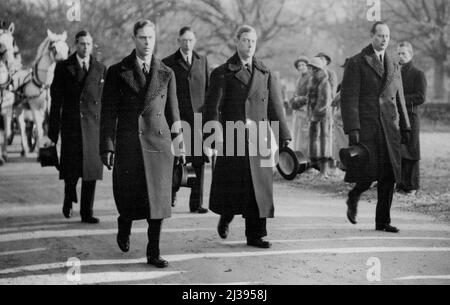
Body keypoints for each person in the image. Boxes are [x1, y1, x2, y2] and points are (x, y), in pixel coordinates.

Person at [100, 20, 184, 268]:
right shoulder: (117, 71)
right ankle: (124, 223)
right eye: (142, 38)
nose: (147, 43)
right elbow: (108, 113)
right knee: (129, 197)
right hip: (129, 144)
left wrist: (179, 144)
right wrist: (107, 145)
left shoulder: (166, 72)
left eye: (151, 38)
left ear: (156, 39)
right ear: (133, 39)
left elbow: (173, 113)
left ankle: (153, 251)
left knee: (158, 201)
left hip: (159, 143)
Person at [203, 25, 291, 249]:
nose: (249, 44)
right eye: (245, 40)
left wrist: (284, 136)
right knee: (233, 186)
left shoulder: (264, 71)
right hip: (233, 137)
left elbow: (275, 106)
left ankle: (256, 235)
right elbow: (212, 108)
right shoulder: (222, 72)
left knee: (259, 188)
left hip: (259, 137)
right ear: (237, 42)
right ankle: (226, 215)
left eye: (252, 41)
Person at [341, 21, 411, 233]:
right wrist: (352, 129)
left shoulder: (393, 61)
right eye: (381, 36)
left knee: (389, 174)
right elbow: (349, 99)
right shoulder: (357, 62)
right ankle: (354, 195)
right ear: (372, 36)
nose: (385, 39)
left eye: (387, 36)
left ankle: (382, 221)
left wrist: (405, 125)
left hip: (389, 127)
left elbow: (399, 97)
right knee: (369, 172)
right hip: (368, 127)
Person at [49, 31, 106, 223]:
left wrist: (107, 133)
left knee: (90, 171)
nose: (86, 47)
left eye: (89, 44)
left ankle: (86, 212)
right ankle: (68, 198)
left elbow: (104, 102)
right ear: (76, 44)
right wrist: (52, 134)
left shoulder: (100, 69)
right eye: (82, 44)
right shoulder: (64, 68)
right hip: (71, 127)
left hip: (93, 128)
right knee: (72, 170)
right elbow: (56, 102)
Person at [163, 26, 209, 213]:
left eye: (190, 40)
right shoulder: (168, 63)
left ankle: (196, 203)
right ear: (178, 41)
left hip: (198, 121)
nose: (187, 43)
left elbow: (208, 91)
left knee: (199, 161)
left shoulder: (202, 61)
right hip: (177, 121)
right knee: (174, 160)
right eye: (184, 40)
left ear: (195, 41)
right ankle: (169, 196)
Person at [397, 41, 427, 196]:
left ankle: (412, 186)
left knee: (412, 150)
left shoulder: (418, 73)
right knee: (400, 150)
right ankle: (401, 184)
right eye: (399, 53)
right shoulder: (396, 72)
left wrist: (401, 99)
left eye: (404, 53)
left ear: (411, 54)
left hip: (412, 117)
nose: (401, 56)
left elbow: (421, 97)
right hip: (398, 117)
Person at [307, 57, 333, 177]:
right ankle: (315, 166)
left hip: (323, 116)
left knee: (323, 140)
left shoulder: (324, 82)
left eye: (312, 68)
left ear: (317, 69)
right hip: (314, 115)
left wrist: (315, 115)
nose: (310, 70)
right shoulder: (313, 80)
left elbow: (324, 102)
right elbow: (309, 99)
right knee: (313, 140)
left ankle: (324, 170)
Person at [290, 56, 311, 156]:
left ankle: (305, 158)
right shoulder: (299, 79)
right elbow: (295, 94)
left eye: (303, 65)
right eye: (299, 65)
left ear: (307, 66)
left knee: (304, 136)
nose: (301, 67)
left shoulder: (310, 78)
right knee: (297, 134)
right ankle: (298, 157)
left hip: (305, 109)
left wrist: (299, 99)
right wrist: (294, 100)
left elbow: (309, 95)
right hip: (297, 110)